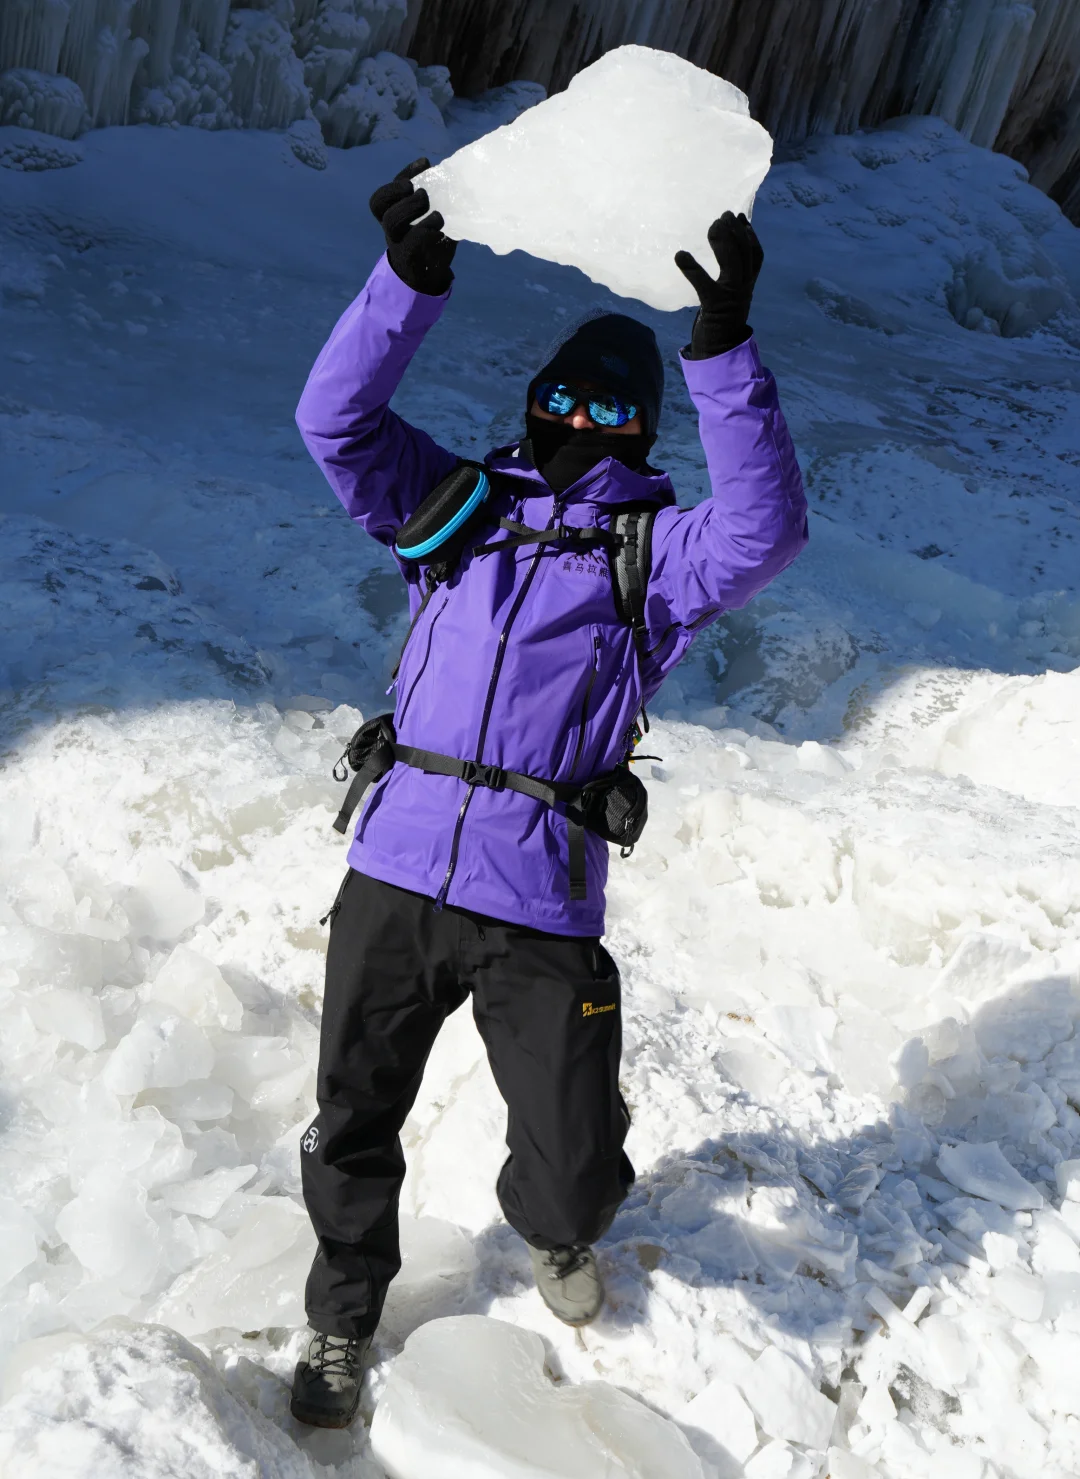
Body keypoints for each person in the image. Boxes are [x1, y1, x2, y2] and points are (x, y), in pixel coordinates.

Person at [289, 157, 808, 1428]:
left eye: (607, 406)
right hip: (397, 867)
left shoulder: (656, 553)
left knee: (574, 1161)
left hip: (537, 896)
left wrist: (723, 350)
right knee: (353, 1113)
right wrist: (404, 287)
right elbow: (335, 424)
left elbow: (766, 528)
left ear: (640, 428)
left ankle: (558, 1228)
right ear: (533, 400)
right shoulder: (457, 508)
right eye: (560, 395)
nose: (578, 417)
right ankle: (341, 1317)